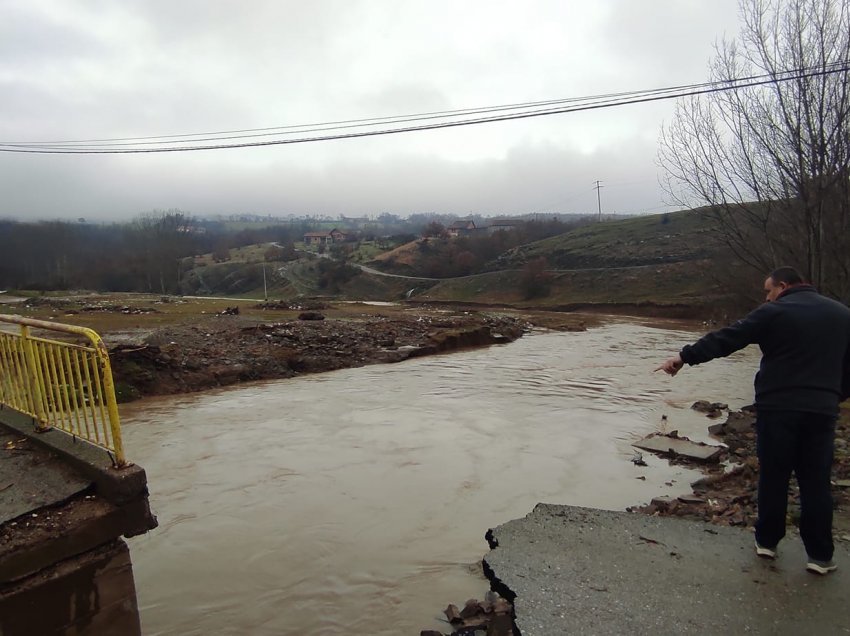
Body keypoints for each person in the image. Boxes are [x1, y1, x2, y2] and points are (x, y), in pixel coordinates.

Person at [656, 266, 850, 575]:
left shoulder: (775, 312)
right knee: (816, 482)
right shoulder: (842, 314)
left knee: (774, 475)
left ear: (782, 286)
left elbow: (728, 338)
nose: (766, 296)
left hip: (778, 407)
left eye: (768, 290)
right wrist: (833, 395)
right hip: (822, 410)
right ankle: (820, 557)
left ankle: (767, 543)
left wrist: (683, 357)